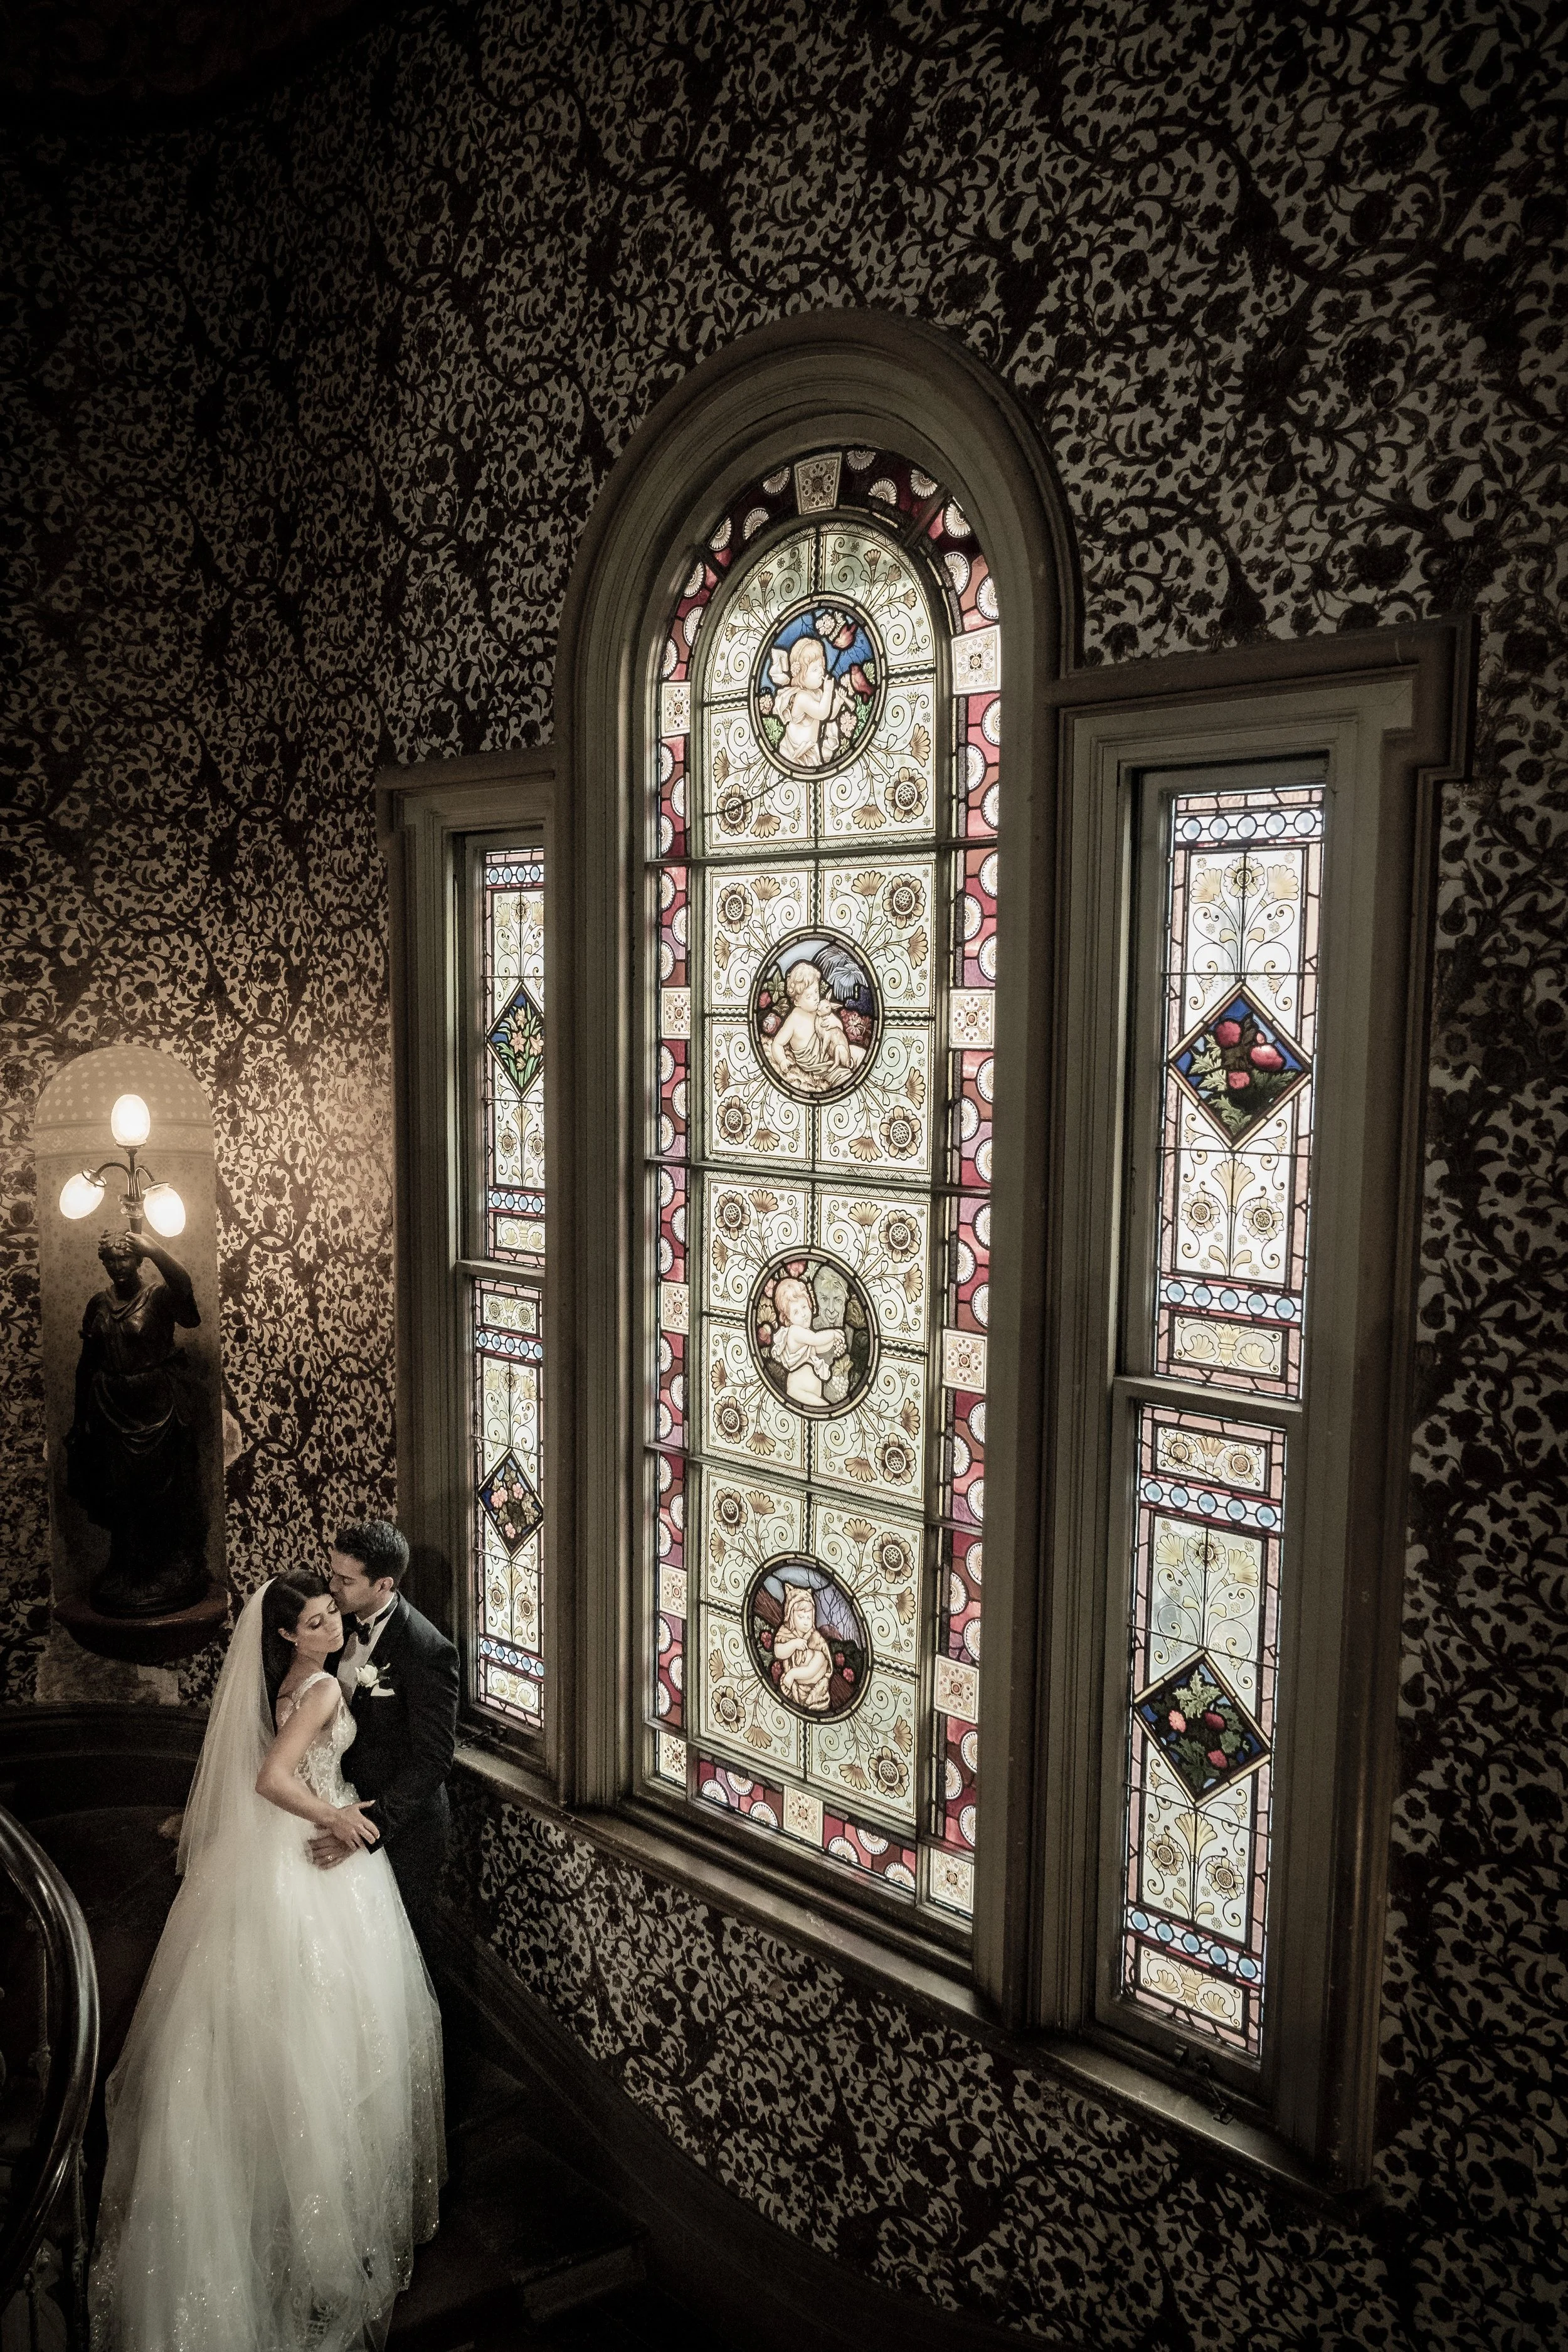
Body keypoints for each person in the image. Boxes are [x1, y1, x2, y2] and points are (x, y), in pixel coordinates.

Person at [89, 1572, 445, 2352]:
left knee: (287, 2032)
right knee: (331, 2038)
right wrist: (340, 1816)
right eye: (317, 1622)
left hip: (268, 1857)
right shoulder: (317, 1686)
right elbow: (270, 1777)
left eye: (330, 1615)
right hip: (311, 1856)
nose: (332, 1628)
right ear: (287, 1634)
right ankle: (316, 2228)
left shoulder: (283, 1680)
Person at [317, 1520, 459, 1949]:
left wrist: (368, 1828)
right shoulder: (331, 1621)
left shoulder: (428, 1650)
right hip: (339, 1802)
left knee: (397, 1948)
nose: (332, 1587)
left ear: (384, 1584)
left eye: (345, 1580)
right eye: (332, 1572)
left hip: (401, 1828)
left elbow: (433, 1759)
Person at [65, 1228, 208, 1616]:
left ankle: (167, 1565)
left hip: (156, 1406)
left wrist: (158, 1250)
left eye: (124, 1258)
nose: (117, 1266)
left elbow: (188, 1305)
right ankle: (128, 1564)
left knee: (162, 1489)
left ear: (139, 1259)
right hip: (109, 1403)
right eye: (109, 1260)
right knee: (119, 1489)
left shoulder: (159, 1297)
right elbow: (86, 1363)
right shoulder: (98, 1304)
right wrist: (80, 1420)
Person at [766, 1275, 847, 1409]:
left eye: (804, 1307)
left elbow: (818, 1347)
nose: (803, 1314)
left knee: (825, 1410)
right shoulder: (794, 1332)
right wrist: (833, 1333)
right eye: (796, 1312)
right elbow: (816, 1339)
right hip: (798, 1391)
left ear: (810, 1305)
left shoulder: (805, 1336)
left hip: (810, 1391)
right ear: (788, 1318)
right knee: (826, 1409)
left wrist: (834, 1344)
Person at [774, 1584, 834, 1712]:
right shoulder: (785, 1632)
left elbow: (815, 1667)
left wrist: (792, 1674)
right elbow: (778, 1652)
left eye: (809, 1617)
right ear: (790, 1615)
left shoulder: (815, 1637)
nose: (806, 1622)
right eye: (801, 1617)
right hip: (795, 1688)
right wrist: (794, 1644)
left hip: (816, 1692)